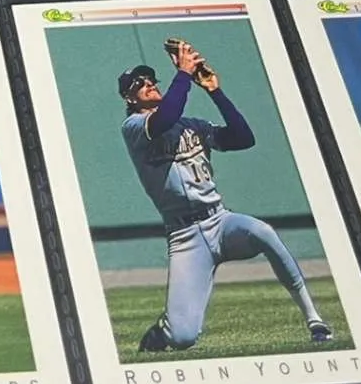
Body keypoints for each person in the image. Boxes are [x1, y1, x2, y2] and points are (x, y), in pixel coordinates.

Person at [121, 40, 334, 352]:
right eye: (140, 83)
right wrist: (184, 73)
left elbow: (242, 138)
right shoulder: (134, 126)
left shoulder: (192, 126)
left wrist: (214, 91)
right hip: (185, 236)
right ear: (129, 97)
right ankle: (161, 333)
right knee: (183, 338)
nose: (149, 84)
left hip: (220, 221)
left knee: (263, 232)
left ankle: (314, 319)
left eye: (152, 79)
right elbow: (164, 119)